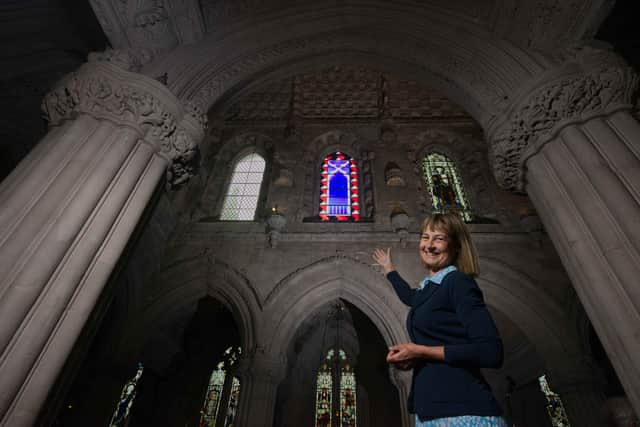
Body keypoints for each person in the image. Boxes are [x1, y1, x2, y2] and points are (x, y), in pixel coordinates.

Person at [373, 212, 506, 427]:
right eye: (425, 237)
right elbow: (409, 297)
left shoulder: (458, 283)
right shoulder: (429, 288)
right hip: (430, 412)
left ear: (455, 247)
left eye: (439, 238)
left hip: (464, 411)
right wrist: (389, 269)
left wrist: (422, 351)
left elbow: (491, 352)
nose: (429, 245)